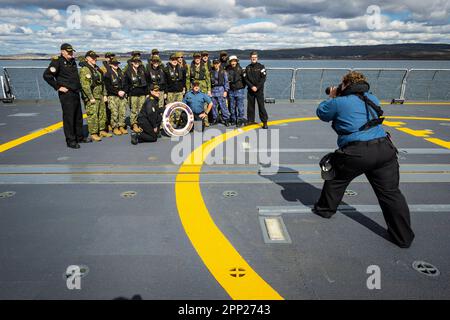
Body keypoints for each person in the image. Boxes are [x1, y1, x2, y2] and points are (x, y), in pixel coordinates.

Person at [313, 71, 415, 248]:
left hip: (356, 152)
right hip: (385, 150)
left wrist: (332, 96)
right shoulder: (372, 99)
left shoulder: (339, 102)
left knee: (335, 178)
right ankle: (403, 237)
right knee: (391, 193)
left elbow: (322, 113)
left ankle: (325, 210)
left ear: (345, 85)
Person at [43, 43, 88, 149]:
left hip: (75, 92)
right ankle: (71, 141)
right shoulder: (57, 62)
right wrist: (58, 87)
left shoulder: (72, 61)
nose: (71, 53)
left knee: (78, 117)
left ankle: (79, 137)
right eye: (68, 52)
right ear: (62, 52)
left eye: (71, 51)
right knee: (69, 118)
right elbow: (47, 75)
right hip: (66, 94)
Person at [79, 50, 112, 141]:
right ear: (87, 58)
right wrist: (90, 97)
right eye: (92, 57)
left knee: (102, 114)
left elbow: (102, 83)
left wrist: (104, 94)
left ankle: (101, 130)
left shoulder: (96, 68)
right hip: (92, 97)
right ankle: (93, 133)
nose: (95, 59)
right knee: (93, 115)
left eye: (95, 57)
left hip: (100, 96)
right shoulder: (85, 69)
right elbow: (85, 86)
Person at [123, 56, 148, 133]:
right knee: (134, 110)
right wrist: (127, 92)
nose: (137, 63)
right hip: (133, 94)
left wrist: (147, 93)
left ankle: (141, 123)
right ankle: (134, 124)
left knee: (141, 110)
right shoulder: (128, 72)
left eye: (138, 62)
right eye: (135, 62)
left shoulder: (142, 71)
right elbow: (126, 84)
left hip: (142, 94)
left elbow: (146, 82)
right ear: (132, 63)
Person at [103, 57, 128, 136]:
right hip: (113, 96)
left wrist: (124, 91)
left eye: (117, 64)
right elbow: (108, 86)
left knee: (122, 111)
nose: (116, 65)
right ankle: (115, 127)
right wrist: (117, 92)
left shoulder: (121, 73)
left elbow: (126, 84)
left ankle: (121, 126)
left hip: (122, 95)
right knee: (114, 112)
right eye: (114, 64)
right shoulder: (107, 74)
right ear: (110, 64)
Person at [244, 51, 268, 129]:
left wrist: (257, 87)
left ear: (257, 58)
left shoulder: (261, 67)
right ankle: (250, 121)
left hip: (259, 90)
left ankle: (264, 122)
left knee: (261, 106)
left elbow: (263, 78)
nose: (253, 58)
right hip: (251, 90)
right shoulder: (248, 68)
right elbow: (246, 79)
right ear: (250, 58)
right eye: (252, 57)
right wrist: (251, 86)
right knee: (250, 106)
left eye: (255, 57)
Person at [226, 55, 246, 127]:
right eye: (232, 61)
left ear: (236, 61)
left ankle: (240, 120)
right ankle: (233, 120)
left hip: (239, 90)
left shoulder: (241, 70)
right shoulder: (227, 69)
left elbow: (245, 80)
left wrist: (242, 87)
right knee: (232, 106)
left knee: (240, 106)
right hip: (231, 90)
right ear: (230, 62)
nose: (233, 62)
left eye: (234, 61)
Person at [210, 59, 230, 126]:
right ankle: (215, 119)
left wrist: (226, 91)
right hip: (213, 90)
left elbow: (226, 82)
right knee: (213, 106)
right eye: (214, 63)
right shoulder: (211, 72)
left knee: (223, 106)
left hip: (221, 89)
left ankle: (226, 119)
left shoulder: (223, 72)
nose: (216, 65)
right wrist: (209, 91)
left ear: (219, 64)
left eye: (217, 63)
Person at [100, 52, 115, 133]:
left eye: (112, 57)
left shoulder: (115, 67)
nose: (111, 59)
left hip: (114, 92)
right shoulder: (103, 69)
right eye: (109, 57)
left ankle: (113, 124)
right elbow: (102, 82)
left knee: (113, 109)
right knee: (106, 109)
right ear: (106, 58)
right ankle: (107, 124)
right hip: (106, 91)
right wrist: (104, 93)